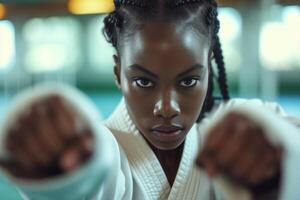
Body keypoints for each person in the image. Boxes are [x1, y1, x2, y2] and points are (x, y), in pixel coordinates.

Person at [0, 0, 299, 199]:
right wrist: (67, 172)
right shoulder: (100, 150)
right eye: (143, 81)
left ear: (209, 66)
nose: (167, 108)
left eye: (189, 81)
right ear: (118, 73)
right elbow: (98, 182)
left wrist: (280, 166)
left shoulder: (249, 129)